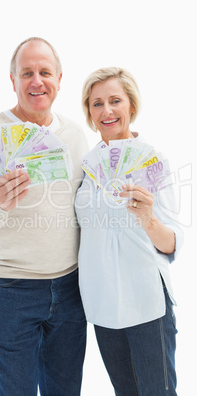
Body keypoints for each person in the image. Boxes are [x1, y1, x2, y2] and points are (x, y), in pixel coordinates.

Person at [0, 37, 88, 396]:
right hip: (11, 289)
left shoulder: (75, 136)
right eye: (26, 73)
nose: (36, 81)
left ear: (60, 78)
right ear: (12, 80)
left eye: (45, 72)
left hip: (70, 288)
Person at [75, 67, 183, 395]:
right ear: (90, 114)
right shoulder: (86, 166)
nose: (106, 110)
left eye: (115, 101)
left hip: (146, 303)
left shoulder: (152, 160)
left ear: (131, 107)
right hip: (103, 304)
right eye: (96, 104)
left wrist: (148, 218)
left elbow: (171, 244)